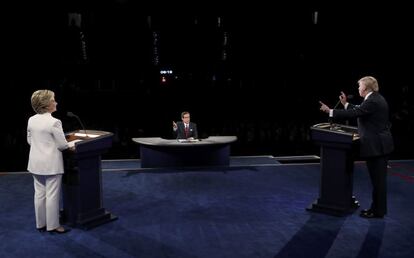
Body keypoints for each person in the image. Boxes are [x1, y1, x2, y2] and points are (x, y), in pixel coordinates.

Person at [319, 76, 394, 218]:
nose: (358, 89)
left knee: (378, 182)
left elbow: (356, 113)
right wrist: (346, 103)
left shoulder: (373, 101)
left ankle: (377, 211)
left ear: (365, 88)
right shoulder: (375, 99)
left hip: (377, 147)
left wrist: (330, 111)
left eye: (359, 86)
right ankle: (377, 209)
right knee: (378, 182)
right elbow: (360, 109)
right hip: (380, 145)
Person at [27, 89, 71, 233]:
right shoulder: (54, 122)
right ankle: (53, 226)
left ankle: (41, 223)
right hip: (51, 164)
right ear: (46, 104)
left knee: (39, 194)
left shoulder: (31, 120)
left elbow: (30, 141)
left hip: (35, 163)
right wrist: (73, 144)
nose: (56, 102)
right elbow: (63, 145)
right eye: (53, 100)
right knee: (52, 195)